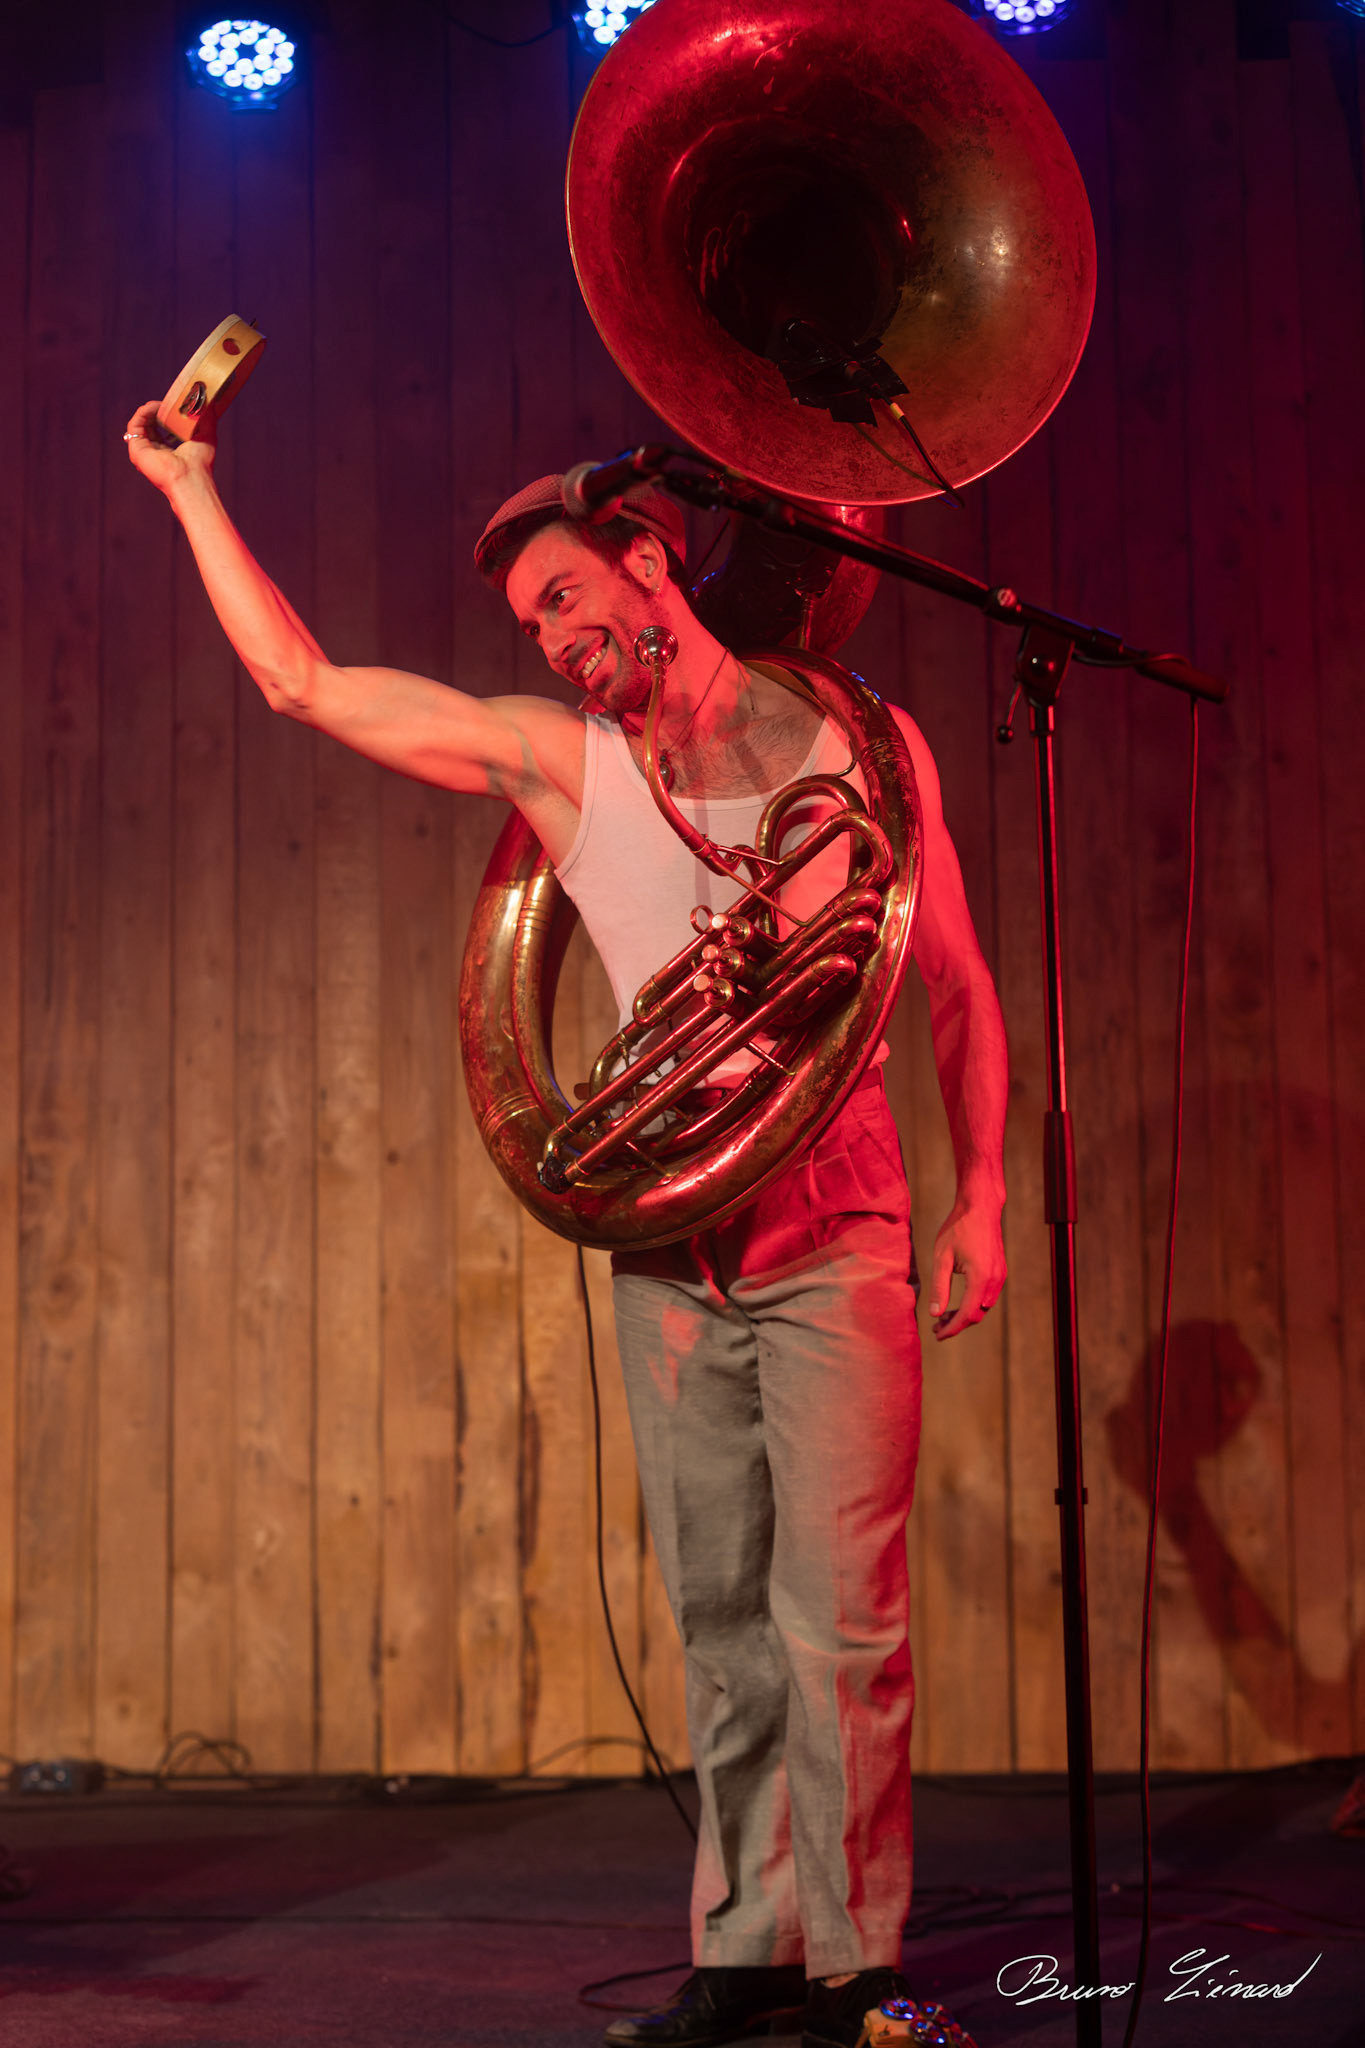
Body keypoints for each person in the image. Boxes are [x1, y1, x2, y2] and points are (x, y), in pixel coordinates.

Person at [125, 408, 1007, 2048]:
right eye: (528, 622)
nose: (545, 634)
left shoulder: (853, 750)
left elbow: (950, 985)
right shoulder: (559, 761)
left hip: (836, 1222)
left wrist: (986, 1194)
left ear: (651, 559)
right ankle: (749, 1950)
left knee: (849, 1622)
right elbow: (304, 687)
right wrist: (191, 492)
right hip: (672, 1251)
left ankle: (859, 1970)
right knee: (727, 1619)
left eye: (559, 595)